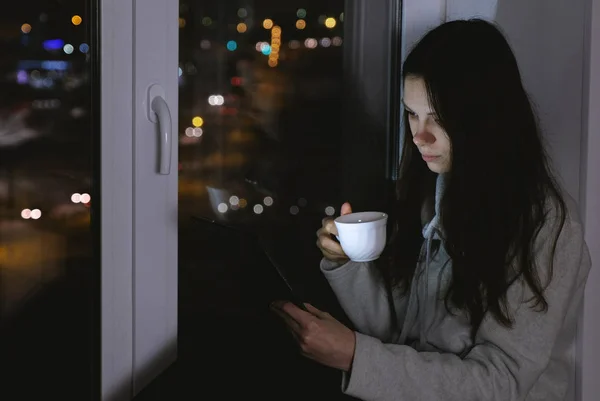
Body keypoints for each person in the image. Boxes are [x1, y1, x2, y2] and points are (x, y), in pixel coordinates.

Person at [270, 18, 592, 401]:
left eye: (438, 117)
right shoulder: (433, 196)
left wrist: (354, 356)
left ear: (486, 116)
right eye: (411, 113)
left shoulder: (546, 225)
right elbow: (399, 337)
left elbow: (499, 384)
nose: (419, 136)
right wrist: (347, 262)